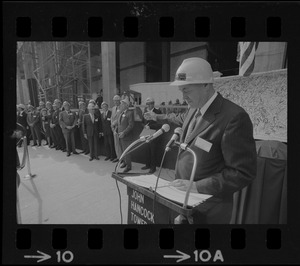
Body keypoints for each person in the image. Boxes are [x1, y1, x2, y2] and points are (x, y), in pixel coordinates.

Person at [144, 57, 257, 224]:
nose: (183, 97)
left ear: (205, 85)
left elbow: (243, 172)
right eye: (181, 91)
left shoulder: (234, 117)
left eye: (186, 90)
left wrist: (197, 186)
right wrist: (158, 116)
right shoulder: (194, 109)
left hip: (210, 208)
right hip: (184, 201)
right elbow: (179, 118)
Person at [141, 97, 162, 174]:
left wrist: (150, 127)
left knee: (153, 151)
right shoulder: (145, 111)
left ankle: (153, 167)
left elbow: (159, 124)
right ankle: (147, 165)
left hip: (154, 133)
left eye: (150, 104)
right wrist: (144, 126)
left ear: (153, 104)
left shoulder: (158, 111)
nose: (148, 105)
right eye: (147, 104)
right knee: (147, 149)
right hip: (146, 132)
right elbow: (142, 122)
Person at [116, 97, 135, 173]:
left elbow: (131, 125)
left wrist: (124, 133)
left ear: (126, 105)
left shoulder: (130, 113)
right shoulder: (122, 113)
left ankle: (129, 166)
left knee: (127, 151)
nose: (121, 105)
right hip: (121, 136)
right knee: (123, 151)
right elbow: (119, 123)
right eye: (121, 103)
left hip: (126, 136)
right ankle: (125, 162)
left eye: (123, 104)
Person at [111, 94, 122, 163]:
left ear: (119, 100)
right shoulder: (113, 108)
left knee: (121, 144)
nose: (115, 102)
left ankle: (122, 158)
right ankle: (118, 157)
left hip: (120, 128)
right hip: (114, 128)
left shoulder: (122, 107)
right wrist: (112, 125)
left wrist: (115, 123)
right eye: (114, 101)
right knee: (116, 143)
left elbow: (120, 117)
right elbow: (112, 118)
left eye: (117, 100)